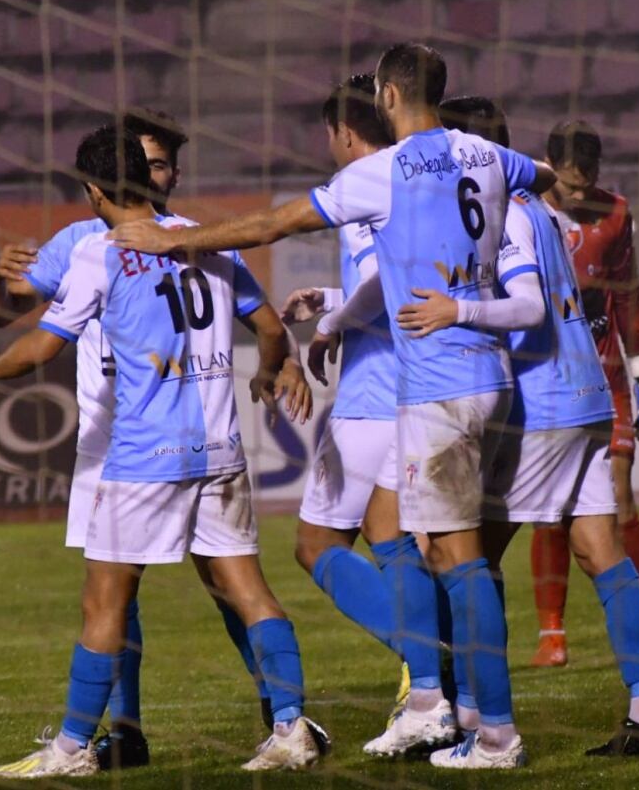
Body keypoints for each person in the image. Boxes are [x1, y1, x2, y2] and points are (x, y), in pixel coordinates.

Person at [107, 42, 557, 770]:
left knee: (443, 556)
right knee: (417, 542)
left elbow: (272, 225)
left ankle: (475, 714)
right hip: (492, 376)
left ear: (387, 96)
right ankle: (453, 704)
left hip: (433, 383)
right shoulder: (484, 155)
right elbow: (543, 175)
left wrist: (168, 240)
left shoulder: (380, 174)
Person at [0, 126, 325, 778]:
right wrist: (270, 371)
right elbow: (270, 328)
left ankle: (72, 748)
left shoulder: (98, 252)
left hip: (143, 455)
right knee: (247, 590)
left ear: (94, 190)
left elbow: (44, 344)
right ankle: (290, 725)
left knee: (104, 601)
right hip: (219, 448)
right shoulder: (206, 239)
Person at [399, 100, 639, 758]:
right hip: (588, 395)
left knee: (463, 558)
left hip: (545, 404)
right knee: (599, 549)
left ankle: (477, 721)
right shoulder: (543, 208)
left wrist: (456, 311)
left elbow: (527, 308)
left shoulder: (505, 215)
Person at [0, 110, 188, 770]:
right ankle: (124, 732)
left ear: (173, 174)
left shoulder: (193, 238)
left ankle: (283, 716)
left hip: (183, 434)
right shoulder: (78, 241)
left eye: (159, 164)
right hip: (107, 440)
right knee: (116, 592)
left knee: (229, 579)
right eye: (140, 163)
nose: (149, 175)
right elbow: (1, 311)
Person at [281, 73, 445, 754]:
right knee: (403, 541)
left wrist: (330, 325)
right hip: (424, 392)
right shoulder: (421, 180)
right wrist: (330, 298)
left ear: (345, 133)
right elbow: (399, 279)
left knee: (317, 544)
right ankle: (435, 676)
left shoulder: (361, 185)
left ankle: (430, 662)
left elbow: (380, 284)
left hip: (371, 400)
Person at [529, 120, 639, 668]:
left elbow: (627, 295)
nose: (578, 197)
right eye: (568, 186)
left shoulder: (616, 214)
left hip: (606, 379)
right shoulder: (523, 209)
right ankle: (552, 636)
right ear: (548, 168)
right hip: (544, 378)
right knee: (549, 510)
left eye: (586, 186)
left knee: (621, 495)